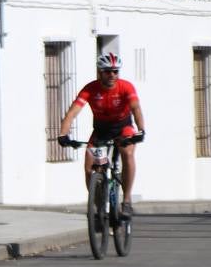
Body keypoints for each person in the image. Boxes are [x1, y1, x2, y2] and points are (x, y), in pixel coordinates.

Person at [56, 51, 146, 218]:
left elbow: (136, 109)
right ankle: (97, 209)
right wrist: (63, 134)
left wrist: (141, 130)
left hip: (123, 128)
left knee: (127, 153)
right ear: (99, 72)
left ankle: (126, 201)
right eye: (107, 71)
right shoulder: (90, 89)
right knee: (89, 168)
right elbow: (72, 113)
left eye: (115, 71)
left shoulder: (126, 87)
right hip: (101, 131)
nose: (112, 75)